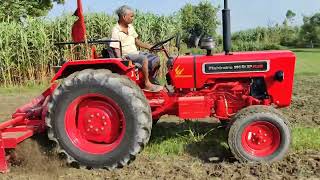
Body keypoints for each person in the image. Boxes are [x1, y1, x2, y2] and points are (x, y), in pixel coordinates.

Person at [110, 5, 163, 92]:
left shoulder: (130, 27)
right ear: (124, 17)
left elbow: (137, 41)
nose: (133, 18)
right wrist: (121, 61)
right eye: (131, 16)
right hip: (126, 55)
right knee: (143, 59)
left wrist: (151, 47)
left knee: (156, 59)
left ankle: (151, 79)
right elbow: (116, 48)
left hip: (135, 53)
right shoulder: (116, 30)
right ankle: (147, 84)